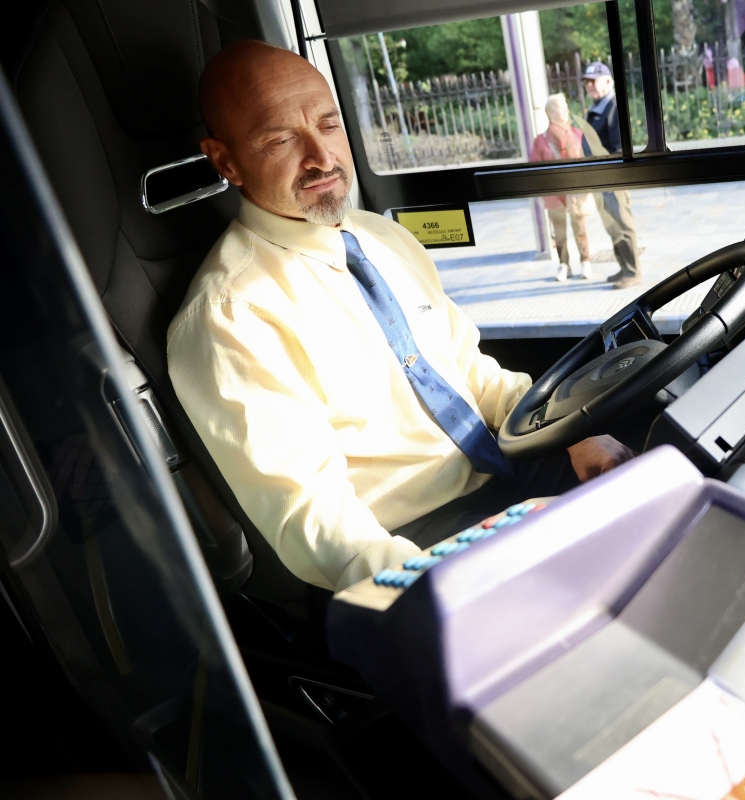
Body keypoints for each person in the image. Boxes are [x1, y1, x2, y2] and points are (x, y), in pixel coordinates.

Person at [169, 41, 634, 592]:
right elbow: (313, 517)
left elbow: (475, 374)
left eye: (328, 125)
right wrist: (429, 587)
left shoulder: (382, 237)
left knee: (663, 470)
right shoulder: (231, 314)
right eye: (280, 140)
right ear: (225, 161)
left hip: (507, 468)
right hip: (416, 539)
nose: (322, 157)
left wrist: (569, 435)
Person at [581, 62, 643, 290]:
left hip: (612, 178)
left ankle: (633, 272)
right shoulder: (598, 107)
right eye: (587, 82)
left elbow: (619, 148)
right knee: (613, 225)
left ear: (608, 81)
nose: (589, 85)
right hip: (601, 179)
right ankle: (624, 267)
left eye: (594, 81)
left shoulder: (613, 107)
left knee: (623, 224)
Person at [530, 94, 592, 282]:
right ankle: (564, 264)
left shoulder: (577, 134)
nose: (565, 110)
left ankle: (585, 262)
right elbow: (534, 169)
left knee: (580, 229)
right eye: (559, 107)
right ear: (550, 112)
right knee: (559, 233)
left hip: (575, 191)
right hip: (554, 194)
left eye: (565, 106)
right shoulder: (540, 140)